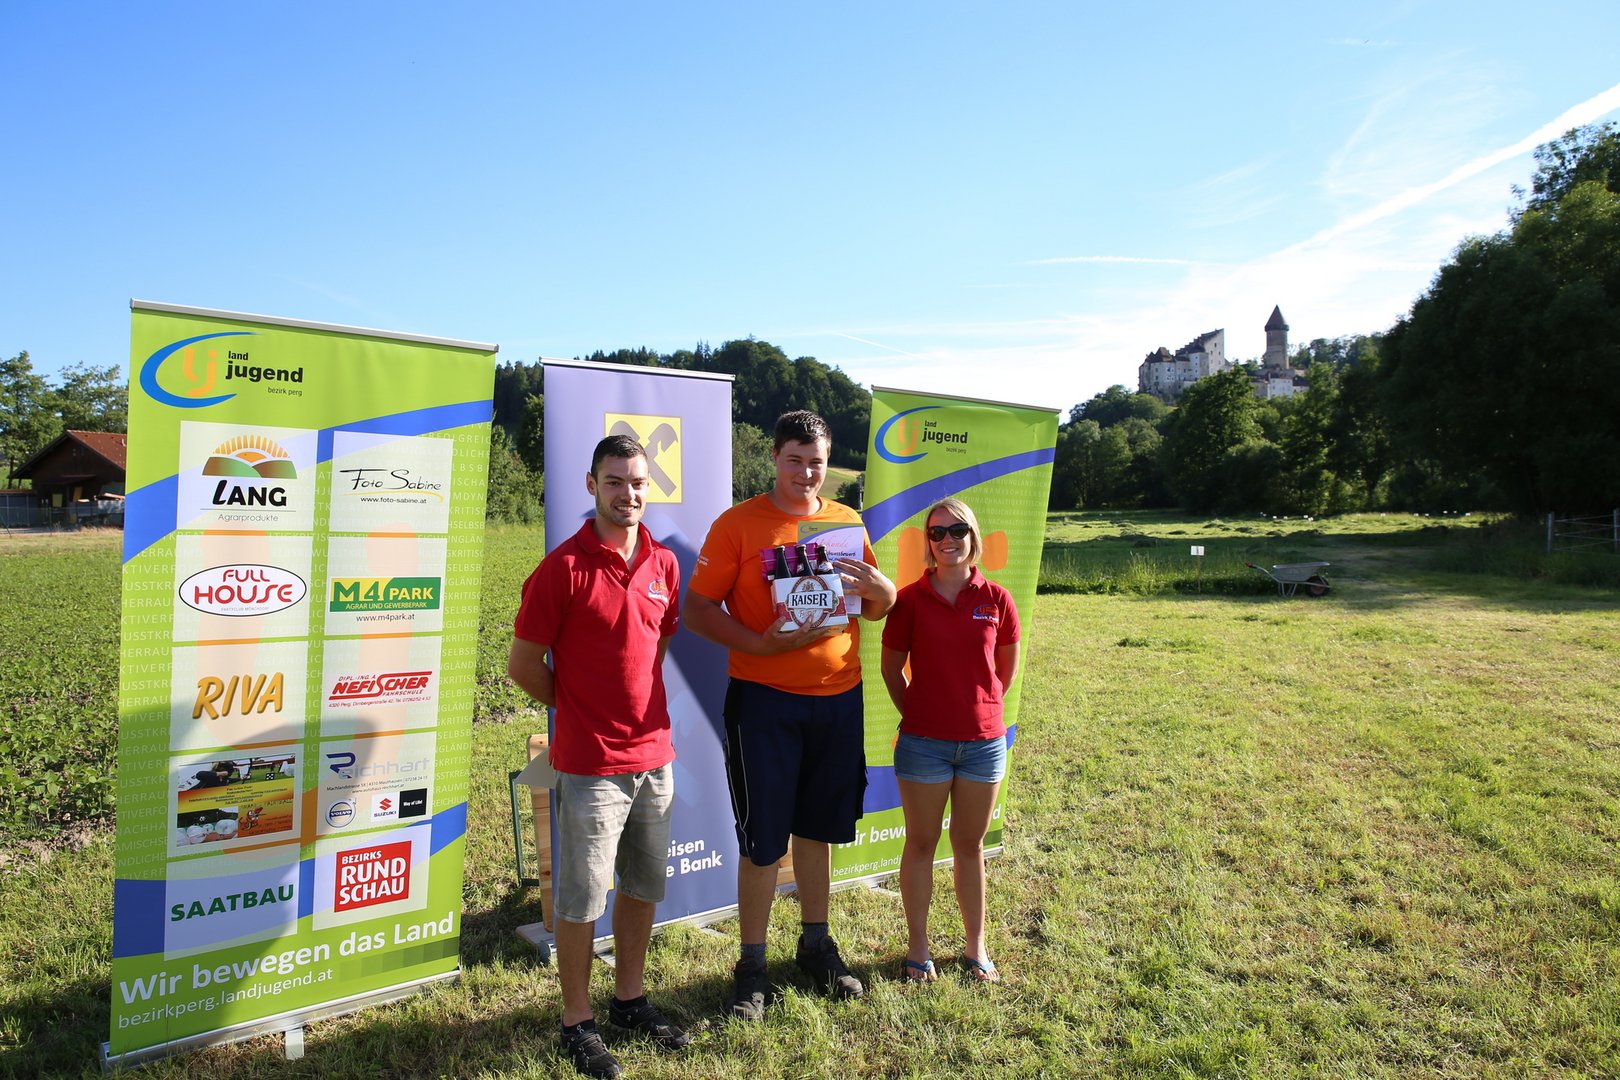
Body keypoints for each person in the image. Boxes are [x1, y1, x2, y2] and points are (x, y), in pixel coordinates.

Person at [686, 410, 897, 1020]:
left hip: (839, 697)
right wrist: (758, 645)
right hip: (764, 700)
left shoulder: (846, 521)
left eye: (817, 462)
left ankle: (815, 944)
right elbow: (698, 610)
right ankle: (751, 964)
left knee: (817, 829)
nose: (806, 473)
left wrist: (884, 591)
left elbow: (873, 604)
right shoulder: (737, 524)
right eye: (795, 460)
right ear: (775, 458)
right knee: (763, 840)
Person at [507, 434, 690, 1080]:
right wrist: (579, 704)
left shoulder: (664, 565)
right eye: (615, 481)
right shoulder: (562, 569)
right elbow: (522, 665)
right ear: (592, 485)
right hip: (590, 763)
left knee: (641, 888)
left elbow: (655, 647)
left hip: (655, 755)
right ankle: (576, 1020)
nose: (628, 493)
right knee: (582, 898)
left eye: (638, 482)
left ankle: (629, 1000)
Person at [879, 497, 1021, 984]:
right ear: (928, 542)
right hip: (923, 745)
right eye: (936, 533)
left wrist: (980, 710)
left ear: (972, 536)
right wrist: (919, 714)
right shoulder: (909, 600)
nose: (947, 540)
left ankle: (975, 946)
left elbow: (1005, 671)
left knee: (969, 845)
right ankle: (918, 948)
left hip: (983, 743)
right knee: (921, 843)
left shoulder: (997, 599)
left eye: (957, 530)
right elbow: (891, 670)